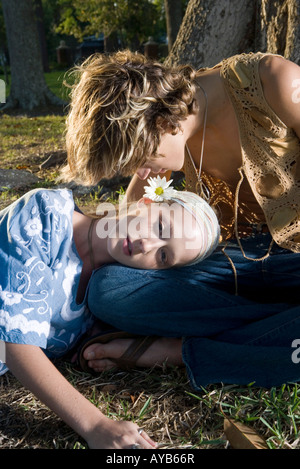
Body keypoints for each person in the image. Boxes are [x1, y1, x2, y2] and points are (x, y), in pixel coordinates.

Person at [61, 49, 300, 387]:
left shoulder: (276, 81)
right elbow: (135, 203)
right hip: (227, 262)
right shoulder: (171, 134)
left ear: (161, 122)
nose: (142, 172)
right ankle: (277, 326)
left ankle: (176, 351)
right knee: (109, 289)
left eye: (140, 159)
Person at [0, 180, 219, 449]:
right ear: (146, 203)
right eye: (159, 226)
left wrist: (125, 351)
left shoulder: (99, 300)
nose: (146, 245)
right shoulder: (44, 213)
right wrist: (95, 425)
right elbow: (11, 342)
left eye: (163, 256)